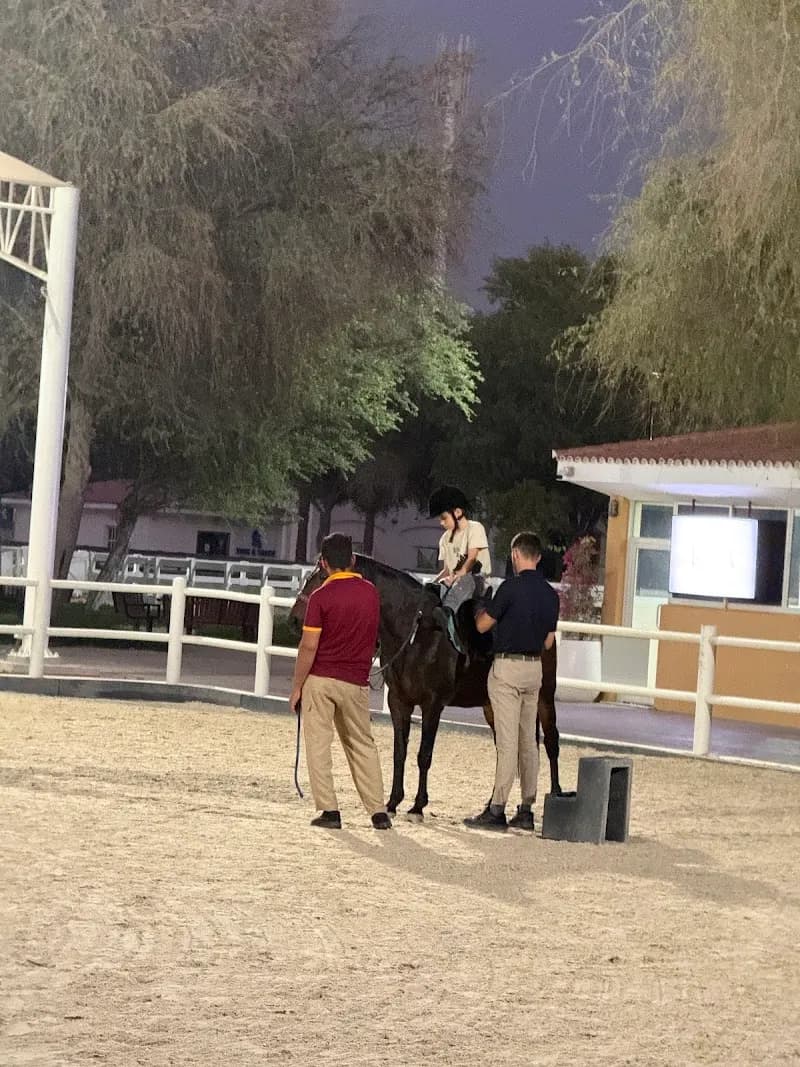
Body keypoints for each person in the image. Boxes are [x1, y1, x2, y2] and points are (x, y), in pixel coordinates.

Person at [289, 532, 391, 831]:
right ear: (353, 560)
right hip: (356, 681)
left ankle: (330, 810)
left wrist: (297, 687)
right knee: (362, 744)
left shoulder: (320, 597)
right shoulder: (370, 593)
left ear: (323, 563)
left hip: (321, 679)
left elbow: (309, 646)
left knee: (319, 745)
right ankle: (378, 811)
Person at [465, 531, 559, 832]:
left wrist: (480, 608)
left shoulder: (509, 588)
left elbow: (482, 626)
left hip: (507, 670)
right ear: (539, 557)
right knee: (529, 742)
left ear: (516, 555)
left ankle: (496, 808)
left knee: (506, 744)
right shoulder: (550, 595)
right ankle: (527, 808)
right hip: (534, 671)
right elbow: (547, 643)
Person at [428, 485, 492, 616]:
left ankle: (449, 628)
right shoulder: (445, 539)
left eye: (444, 518)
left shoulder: (475, 528)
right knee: (431, 593)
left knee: (463, 585)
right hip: (453, 582)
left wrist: (456, 577)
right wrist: (431, 585)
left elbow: (472, 559)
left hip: (476, 580)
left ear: (457, 512)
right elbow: (446, 570)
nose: (441, 523)